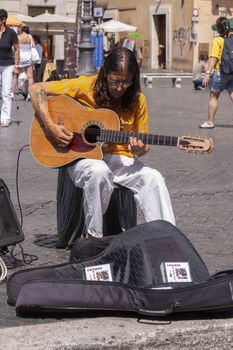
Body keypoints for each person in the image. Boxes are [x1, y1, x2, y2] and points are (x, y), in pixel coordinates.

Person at [29, 47, 175, 239]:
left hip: (119, 159)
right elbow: (35, 88)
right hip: (81, 159)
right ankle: (93, 238)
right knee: (99, 171)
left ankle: (166, 238)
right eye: (115, 81)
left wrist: (140, 149)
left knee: (153, 177)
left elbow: (142, 142)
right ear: (105, 74)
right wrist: (51, 126)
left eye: (126, 82)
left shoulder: (137, 99)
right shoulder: (85, 86)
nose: (120, 87)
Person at [200, 17, 233, 128]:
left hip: (220, 73)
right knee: (232, 94)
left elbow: (213, 58)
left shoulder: (217, 40)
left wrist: (208, 73)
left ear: (219, 29)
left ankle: (210, 122)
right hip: (231, 72)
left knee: (214, 97)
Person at [0, 9, 19, 127]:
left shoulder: (11, 33)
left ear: (3, 20)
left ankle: (5, 118)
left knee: (6, 93)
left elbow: (17, 49)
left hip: (8, 65)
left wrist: (16, 66)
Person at [12, 26, 34, 101]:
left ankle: (12, 94)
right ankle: (29, 95)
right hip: (28, 57)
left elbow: (14, 48)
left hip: (20, 57)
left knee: (15, 76)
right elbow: (33, 46)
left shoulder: (18, 37)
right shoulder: (29, 37)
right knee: (30, 77)